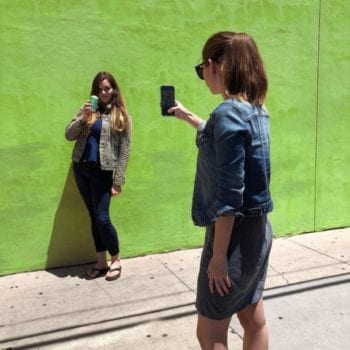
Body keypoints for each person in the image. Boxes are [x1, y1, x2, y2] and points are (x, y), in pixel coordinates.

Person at [169, 32, 273, 350]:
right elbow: (224, 143)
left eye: (202, 70)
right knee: (253, 320)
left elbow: (229, 197)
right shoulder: (257, 110)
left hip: (232, 238)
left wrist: (218, 257)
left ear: (213, 65)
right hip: (258, 232)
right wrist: (189, 117)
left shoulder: (228, 113)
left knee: (211, 333)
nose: (204, 77)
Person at [65, 71, 131, 281]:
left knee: (102, 218)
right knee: (93, 216)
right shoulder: (87, 110)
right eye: (99, 89)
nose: (103, 92)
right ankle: (101, 262)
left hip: (103, 173)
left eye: (107, 88)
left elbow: (124, 151)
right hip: (81, 168)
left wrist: (118, 181)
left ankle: (116, 260)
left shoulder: (120, 115)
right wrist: (83, 119)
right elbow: (69, 135)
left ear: (113, 90)